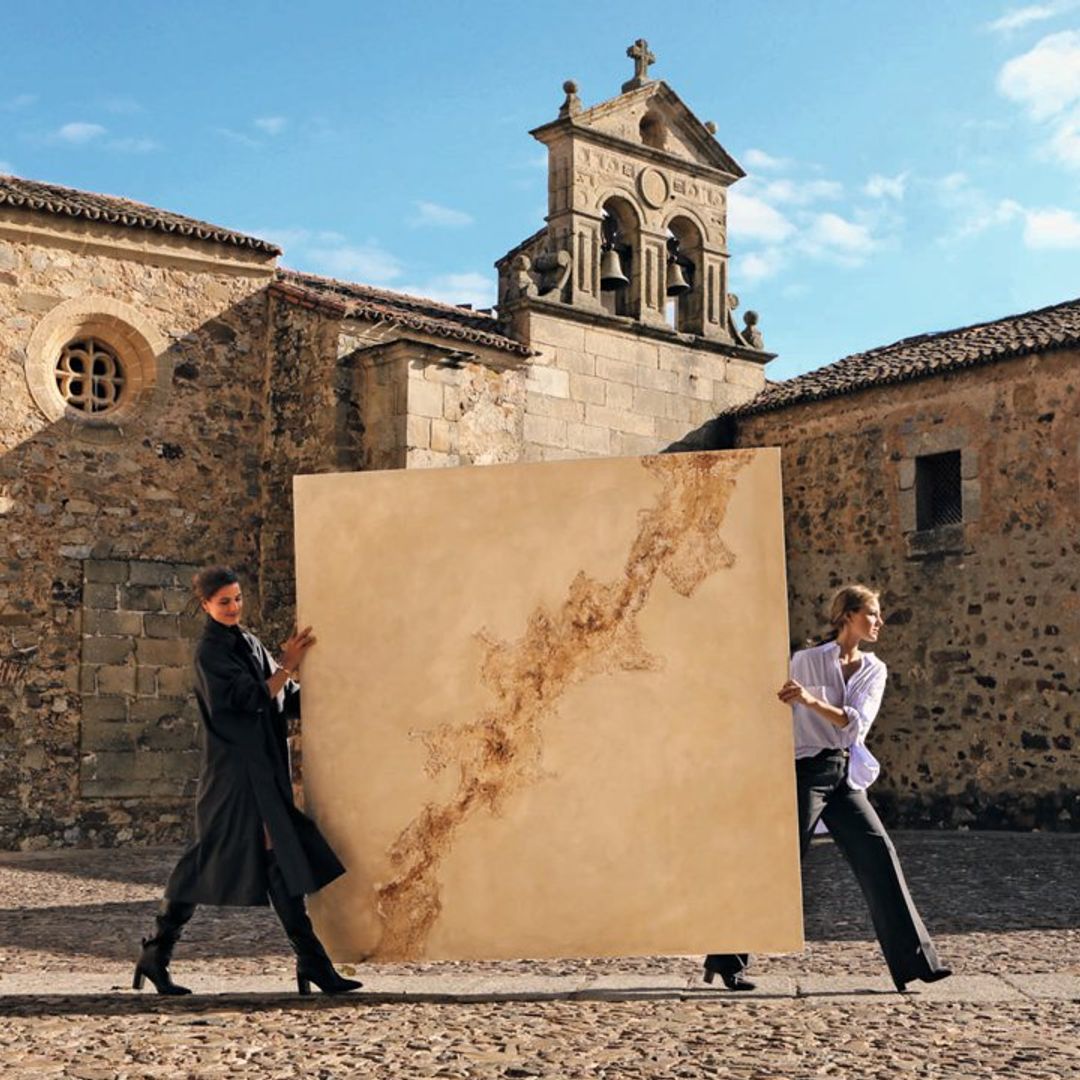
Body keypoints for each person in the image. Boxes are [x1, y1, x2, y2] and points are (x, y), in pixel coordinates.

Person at [704, 584, 952, 993]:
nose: (879, 622)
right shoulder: (803, 661)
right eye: (872, 613)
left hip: (845, 775)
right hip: (805, 772)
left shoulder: (875, 669)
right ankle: (726, 960)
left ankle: (918, 962)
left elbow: (855, 724)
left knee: (880, 853)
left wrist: (809, 702)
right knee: (777, 863)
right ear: (848, 616)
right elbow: (773, 711)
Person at [132, 565, 361, 996]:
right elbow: (251, 698)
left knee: (272, 857)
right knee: (215, 856)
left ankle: (312, 962)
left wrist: (336, 695)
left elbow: (284, 698)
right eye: (224, 602)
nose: (234, 607)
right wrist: (288, 666)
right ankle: (158, 954)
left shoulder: (249, 642)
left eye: (237, 599)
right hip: (234, 775)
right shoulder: (209, 653)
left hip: (261, 769)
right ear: (205, 605)